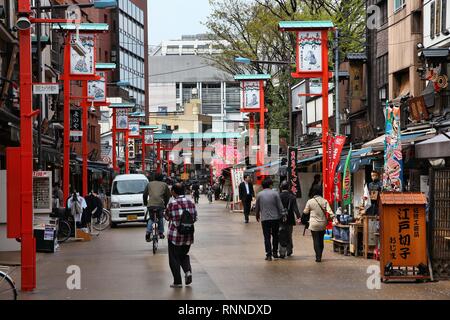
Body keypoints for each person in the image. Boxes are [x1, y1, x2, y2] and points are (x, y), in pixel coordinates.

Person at [165, 183, 197, 288]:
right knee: (183, 254)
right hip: (188, 235)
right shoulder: (191, 202)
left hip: (175, 236)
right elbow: (195, 218)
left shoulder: (172, 203)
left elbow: (167, 217)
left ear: (174, 191)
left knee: (174, 257)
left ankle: (177, 282)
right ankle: (188, 272)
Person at [255, 178, 286, 261]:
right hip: (275, 218)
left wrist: (257, 214)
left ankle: (268, 254)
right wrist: (283, 215)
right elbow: (280, 206)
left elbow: (257, 207)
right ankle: (275, 252)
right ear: (270, 185)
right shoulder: (275, 194)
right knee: (275, 236)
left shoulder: (259, 195)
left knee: (267, 237)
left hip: (265, 219)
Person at [303, 185, 335, 262]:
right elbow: (330, 212)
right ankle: (320, 255)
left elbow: (305, 212)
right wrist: (332, 218)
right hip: (323, 224)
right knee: (321, 240)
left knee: (316, 240)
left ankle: (318, 257)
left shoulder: (310, 201)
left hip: (313, 224)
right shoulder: (324, 201)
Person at [143, 173, 172, 242]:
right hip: (160, 205)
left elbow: (144, 195)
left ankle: (148, 232)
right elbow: (168, 196)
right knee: (160, 217)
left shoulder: (149, 184)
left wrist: (146, 203)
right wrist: (165, 204)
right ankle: (161, 233)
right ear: (162, 178)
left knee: (151, 218)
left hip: (151, 205)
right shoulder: (164, 185)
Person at [279, 181, 301, 258]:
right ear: (288, 188)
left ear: (281, 187)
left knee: (281, 234)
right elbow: (295, 208)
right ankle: (289, 250)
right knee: (289, 234)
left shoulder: (278, 196)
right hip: (289, 219)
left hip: (280, 219)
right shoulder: (292, 197)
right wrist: (299, 217)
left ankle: (282, 252)